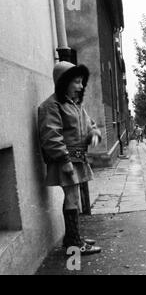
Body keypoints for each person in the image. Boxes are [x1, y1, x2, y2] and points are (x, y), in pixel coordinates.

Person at [38, 61, 102, 255]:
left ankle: (71, 239)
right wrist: (64, 160)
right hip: (66, 161)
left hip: (77, 160)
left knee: (73, 198)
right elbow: (51, 136)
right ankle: (74, 244)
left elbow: (90, 123)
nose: (81, 86)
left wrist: (94, 133)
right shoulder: (51, 106)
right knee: (72, 198)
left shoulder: (75, 105)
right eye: (76, 81)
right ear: (63, 81)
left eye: (82, 82)